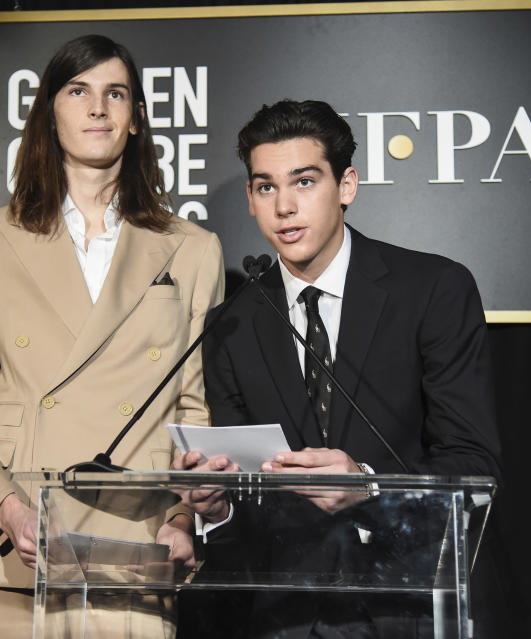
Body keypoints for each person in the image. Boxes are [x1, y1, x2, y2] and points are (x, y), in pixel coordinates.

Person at [0, 34, 224, 638]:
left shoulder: (192, 250)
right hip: (17, 545)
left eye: (116, 94)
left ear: (136, 118)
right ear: (49, 113)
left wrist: (185, 519)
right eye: (78, 90)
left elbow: (194, 413)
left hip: (135, 545)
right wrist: (6, 508)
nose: (97, 108)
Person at [175, 99, 503, 637]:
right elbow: (244, 501)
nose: (283, 206)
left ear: (346, 185)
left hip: (406, 606)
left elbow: (475, 468)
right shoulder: (232, 323)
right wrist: (215, 510)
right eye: (265, 187)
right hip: (280, 617)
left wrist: (370, 487)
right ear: (251, 200)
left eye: (304, 182)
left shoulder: (432, 290)